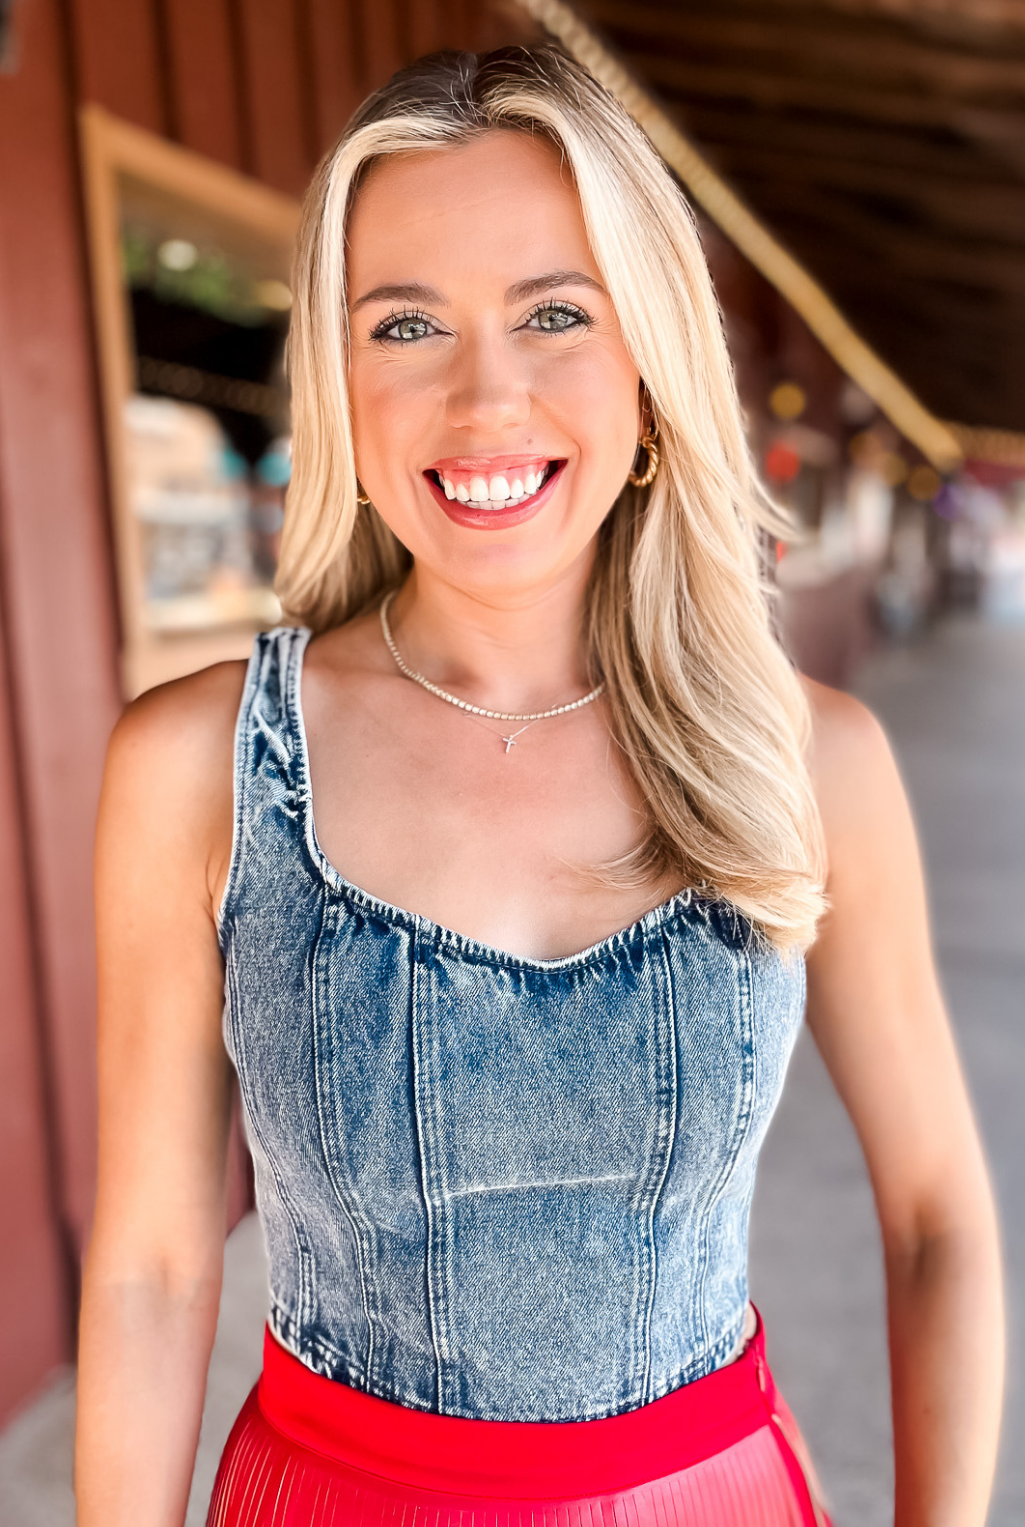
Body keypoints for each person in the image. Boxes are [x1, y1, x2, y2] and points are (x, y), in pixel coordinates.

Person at [75, 45, 1004, 1527]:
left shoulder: (807, 755)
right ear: (339, 373)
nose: (481, 396)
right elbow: (151, 1264)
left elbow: (944, 1221)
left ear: (651, 359)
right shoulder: (204, 766)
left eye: (555, 313)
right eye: (406, 325)